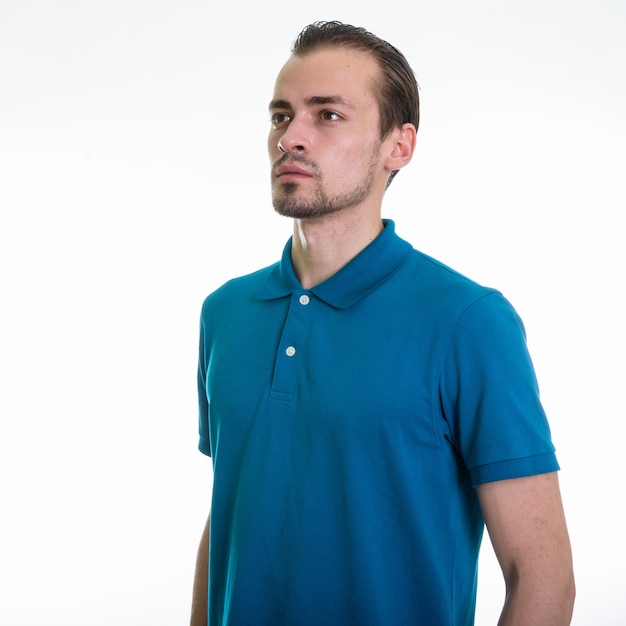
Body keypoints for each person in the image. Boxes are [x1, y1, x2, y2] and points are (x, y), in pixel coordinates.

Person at [190, 20, 575, 626]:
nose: (292, 137)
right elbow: (231, 514)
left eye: (329, 116)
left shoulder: (468, 322)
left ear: (399, 146)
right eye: (281, 115)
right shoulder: (225, 313)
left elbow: (542, 576)